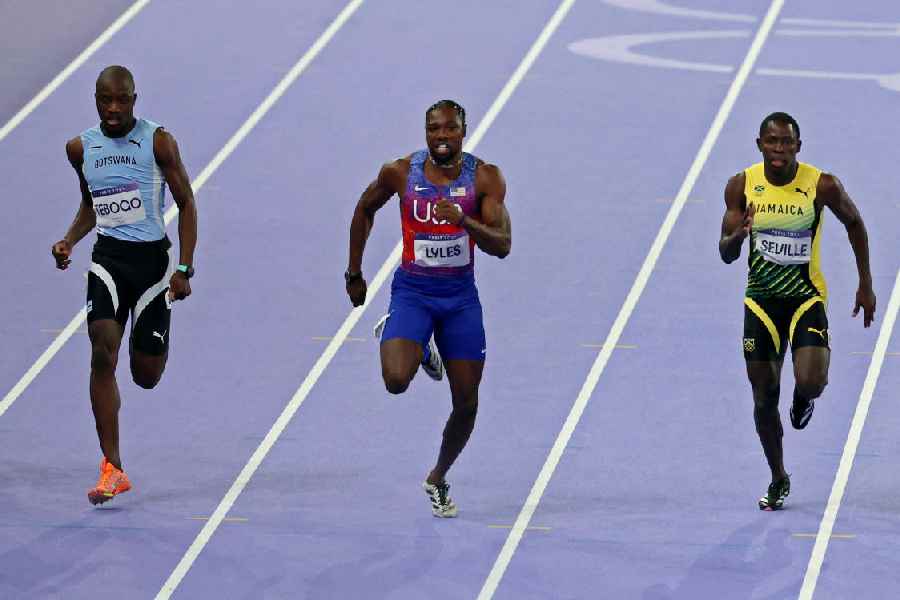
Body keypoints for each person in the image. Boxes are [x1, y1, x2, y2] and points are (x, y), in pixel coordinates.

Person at [345, 100, 511, 517]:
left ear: (463, 131)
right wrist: (354, 273)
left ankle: (437, 477)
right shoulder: (400, 172)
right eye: (433, 129)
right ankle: (405, 337)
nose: (441, 137)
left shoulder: (485, 178)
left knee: (467, 404)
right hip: (414, 293)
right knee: (396, 380)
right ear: (426, 133)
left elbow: (503, 245)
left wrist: (463, 221)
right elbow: (365, 208)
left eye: (449, 129)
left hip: (459, 300)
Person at [51, 66, 198, 505]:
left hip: (152, 268)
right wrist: (69, 239)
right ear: (96, 100)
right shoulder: (81, 148)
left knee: (145, 375)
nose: (113, 109)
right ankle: (112, 466)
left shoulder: (158, 142)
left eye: (121, 100)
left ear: (134, 99)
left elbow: (187, 203)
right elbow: (91, 204)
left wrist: (185, 269)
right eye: (104, 101)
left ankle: (153, 337)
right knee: (101, 350)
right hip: (108, 262)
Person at [719, 111, 875, 510]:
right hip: (761, 301)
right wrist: (737, 236)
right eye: (772, 142)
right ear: (759, 144)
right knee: (763, 398)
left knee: (811, 381)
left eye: (786, 143)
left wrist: (866, 284)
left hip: (806, 298)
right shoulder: (742, 186)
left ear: (798, 148)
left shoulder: (821, 185)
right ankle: (778, 477)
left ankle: (803, 401)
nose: (779, 150)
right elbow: (726, 253)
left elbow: (855, 223)